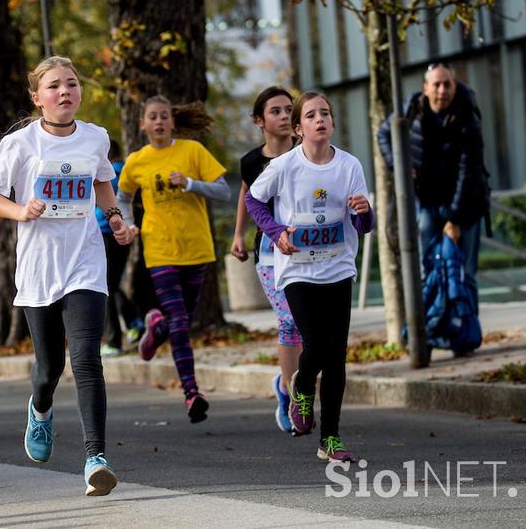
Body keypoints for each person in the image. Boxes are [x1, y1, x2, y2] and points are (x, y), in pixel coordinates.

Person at [0, 55, 136, 497]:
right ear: (37, 98)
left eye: (71, 83)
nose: (64, 91)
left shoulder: (95, 137)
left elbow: (103, 182)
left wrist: (114, 215)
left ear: (80, 92)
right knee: (49, 367)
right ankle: (41, 409)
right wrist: (19, 210)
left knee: (87, 358)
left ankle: (95, 458)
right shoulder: (20, 144)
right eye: (53, 86)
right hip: (38, 267)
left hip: (85, 263)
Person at [246, 91, 375, 463]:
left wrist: (364, 211)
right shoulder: (286, 166)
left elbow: (363, 225)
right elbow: (254, 200)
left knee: (336, 357)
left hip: (337, 267)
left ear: (332, 123)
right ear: (299, 128)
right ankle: (302, 384)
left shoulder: (349, 166)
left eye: (326, 114)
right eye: (311, 115)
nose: (320, 120)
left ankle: (329, 438)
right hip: (298, 270)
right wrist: (275, 231)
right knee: (316, 343)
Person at [116, 96, 230, 424]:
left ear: (172, 122)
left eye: (164, 116)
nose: (159, 122)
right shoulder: (137, 161)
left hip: (197, 249)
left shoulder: (192, 151)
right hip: (159, 249)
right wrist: (126, 223)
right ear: (143, 124)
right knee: (180, 322)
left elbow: (223, 191)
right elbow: (123, 196)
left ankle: (156, 331)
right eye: (152, 117)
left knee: (180, 323)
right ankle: (191, 393)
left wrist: (191, 184)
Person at [377, 62, 489, 312]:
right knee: (429, 270)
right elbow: (383, 134)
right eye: (436, 84)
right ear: (425, 88)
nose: (442, 90)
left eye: (447, 84)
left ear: (455, 86)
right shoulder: (411, 109)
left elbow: (468, 172)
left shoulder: (467, 117)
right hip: (426, 202)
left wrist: (455, 219)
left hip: (466, 205)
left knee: (465, 273)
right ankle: (434, 328)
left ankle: (466, 335)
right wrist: (400, 166)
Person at [231, 86, 303, 433]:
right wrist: (238, 236)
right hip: (271, 254)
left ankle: (291, 384)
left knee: (307, 325)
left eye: (289, 109)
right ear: (260, 120)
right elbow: (248, 195)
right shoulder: (251, 162)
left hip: (308, 251)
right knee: (290, 321)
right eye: (276, 111)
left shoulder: (307, 153)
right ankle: (291, 396)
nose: (285, 116)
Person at [97, 139, 142, 356]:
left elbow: (102, 198)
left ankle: (114, 341)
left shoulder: (111, 174)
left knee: (105, 287)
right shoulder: (123, 170)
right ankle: (134, 322)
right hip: (119, 234)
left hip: (108, 234)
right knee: (112, 284)